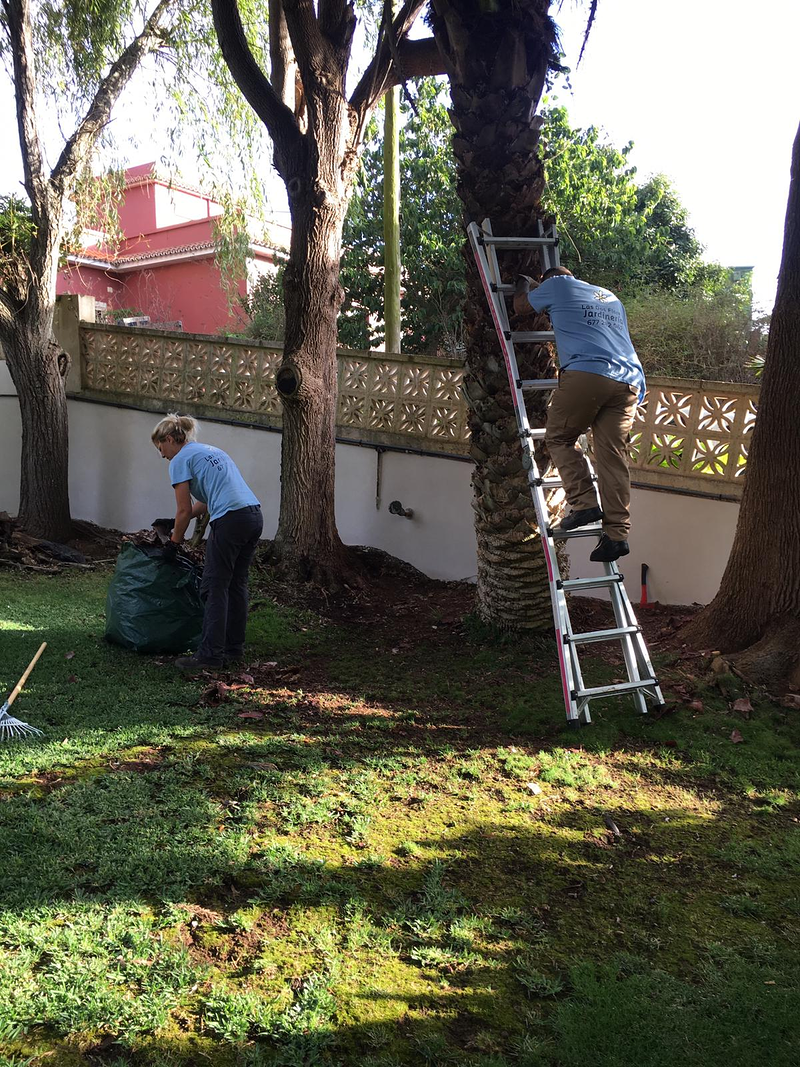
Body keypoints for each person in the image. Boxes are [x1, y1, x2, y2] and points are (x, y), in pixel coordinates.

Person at [513, 267, 645, 563]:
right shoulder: (609, 297)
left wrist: (523, 282)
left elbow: (521, 306)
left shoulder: (556, 286)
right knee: (612, 456)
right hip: (629, 381)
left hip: (588, 374)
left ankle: (584, 503)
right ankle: (617, 535)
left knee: (559, 437)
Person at [151, 414, 263, 673]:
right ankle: (234, 649)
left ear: (169, 440)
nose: (162, 455)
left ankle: (209, 657)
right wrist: (180, 519)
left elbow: (183, 509)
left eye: (161, 448)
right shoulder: (209, 451)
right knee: (236, 585)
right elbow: (203, 503)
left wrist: (173, 545)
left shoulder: (179, 460)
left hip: (231, 520)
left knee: (214, 586)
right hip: (253, 515)